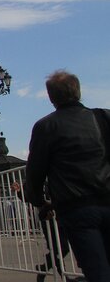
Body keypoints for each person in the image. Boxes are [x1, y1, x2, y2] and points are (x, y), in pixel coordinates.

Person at [25, 70, 110, 282]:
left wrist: (38, 200)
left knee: (97, 269)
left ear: (51, 97)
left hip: (77, 207)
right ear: (78, 91)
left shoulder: (46, 126)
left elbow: (35, 170)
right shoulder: (103, 117)